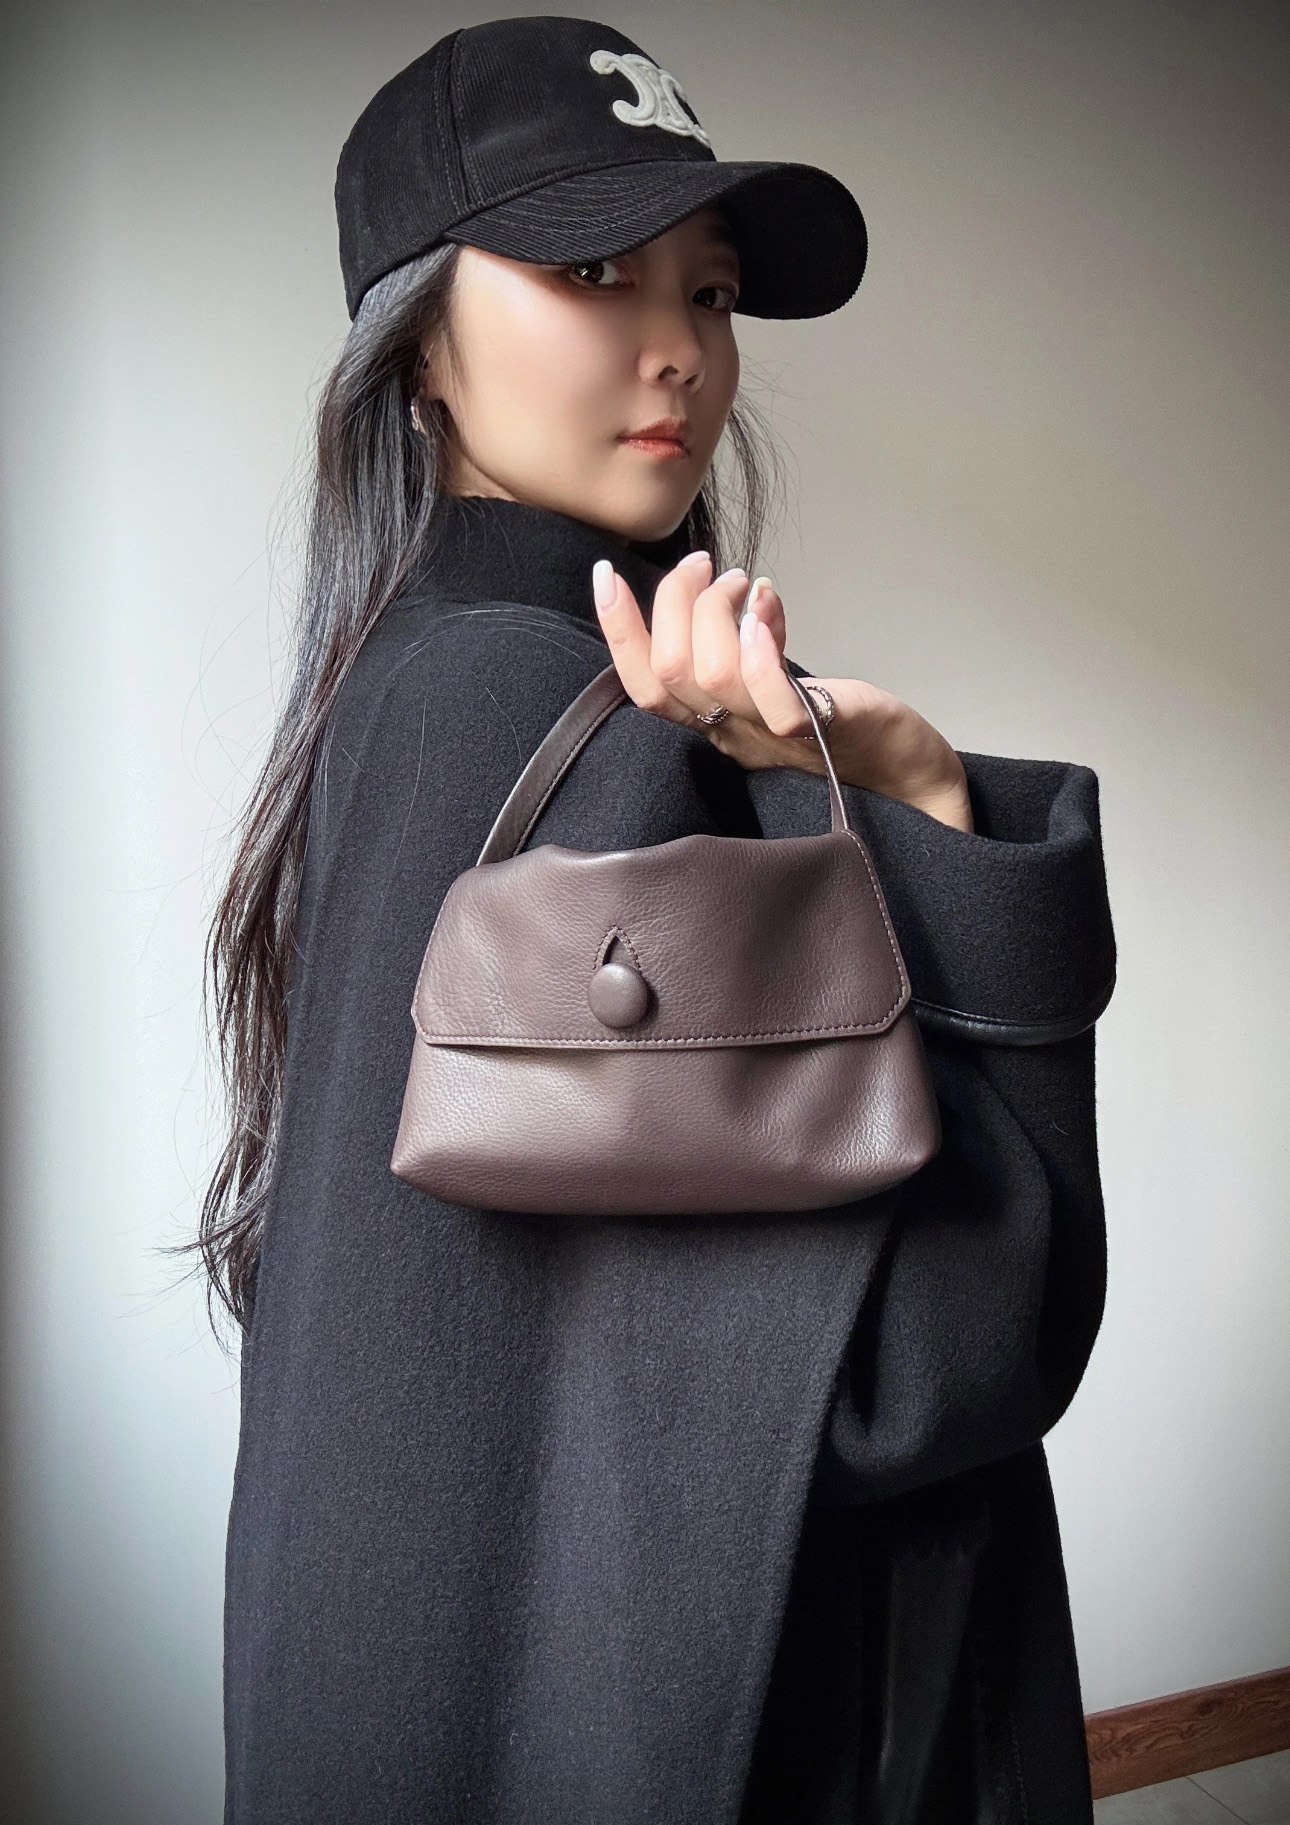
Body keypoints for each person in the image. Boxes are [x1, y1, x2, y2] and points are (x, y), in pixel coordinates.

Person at [207, 17, 1116, 1824]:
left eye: (706, 290)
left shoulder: (404, 681)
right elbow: (935, 1366)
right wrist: (930, 803)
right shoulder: (571, 727)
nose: (678, 348)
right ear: (415, 353)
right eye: (588, 271)